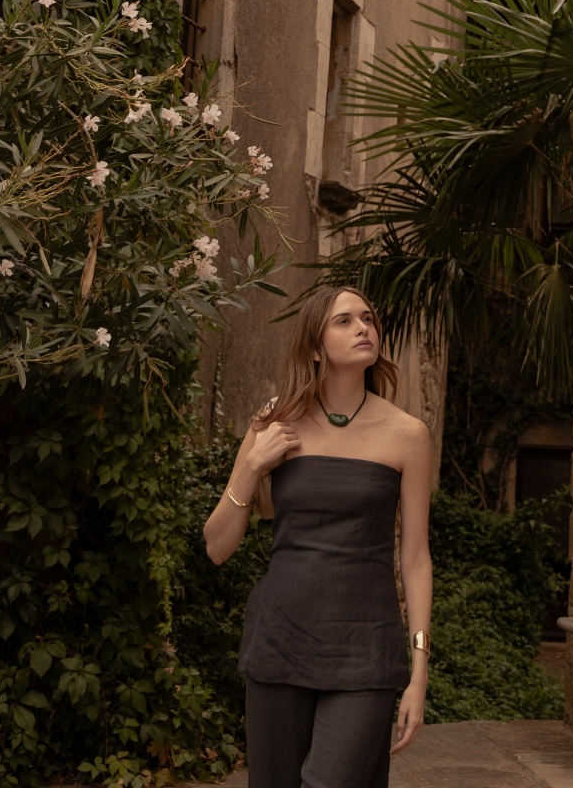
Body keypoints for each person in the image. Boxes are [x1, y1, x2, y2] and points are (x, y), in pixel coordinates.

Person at [203, 286, 433, 788]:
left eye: (368, 318)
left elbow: (415, 558)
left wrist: (419, 671)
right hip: (280, 640)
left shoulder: (407, 435)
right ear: (313, 346)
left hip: (365, 648)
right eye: (344, 321)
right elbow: (217, 547)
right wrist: (252, 466)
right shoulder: (274, 423)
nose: (363, 328)